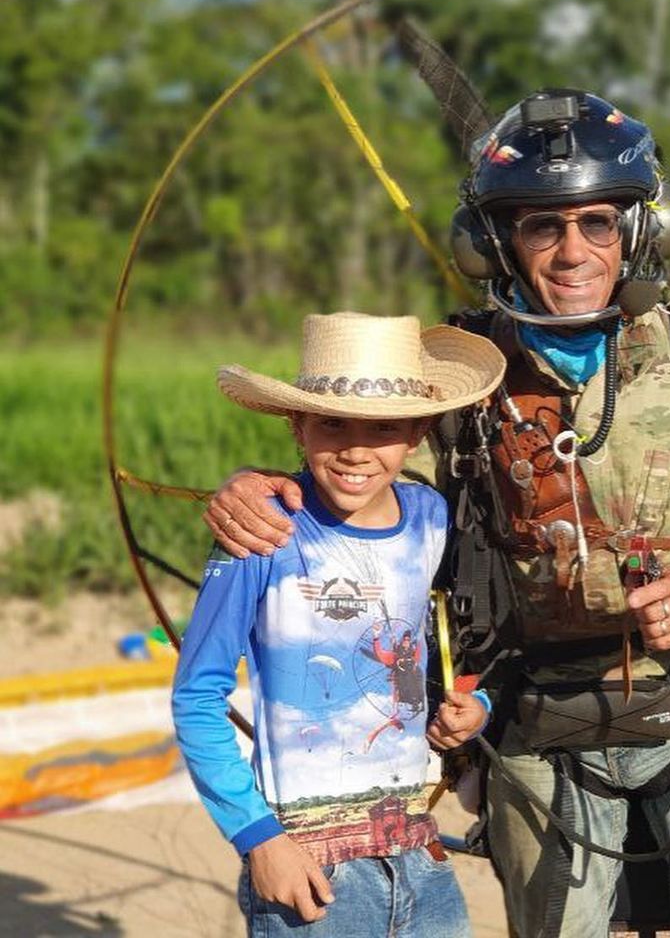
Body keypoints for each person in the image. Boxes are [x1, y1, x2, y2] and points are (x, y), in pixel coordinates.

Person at [205, 91, 670, 937]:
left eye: (597, 224)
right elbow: (357, 480)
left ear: (642, 233)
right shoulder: (458, 376)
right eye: (543, 226)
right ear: (497, 242)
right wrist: (257, 486)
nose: (573, 250)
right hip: (528, 720)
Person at [172, 312, 505, 937]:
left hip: (417, 849)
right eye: (332, 424)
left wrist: (473, 702)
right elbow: (196, 696)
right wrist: (258, 838)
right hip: (307, 864)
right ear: (297, 426)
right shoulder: (263, 532)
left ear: (418, 433)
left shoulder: (432, 518)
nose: (355, 449)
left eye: (382, 428)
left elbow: (447, 643)